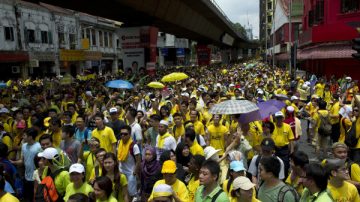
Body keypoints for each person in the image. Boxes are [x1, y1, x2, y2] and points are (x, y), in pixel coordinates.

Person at [10, 128, 41, 202]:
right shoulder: (24, 146)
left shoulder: (39, 147)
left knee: (35, 197)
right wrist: (13, 162)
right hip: (26, 177)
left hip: (36, 177)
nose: (22, 137)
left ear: (30, 137)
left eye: (24, 135)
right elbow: (22, 161)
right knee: (27, 197)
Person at [117, 125, 140, 200]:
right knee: (122, 191)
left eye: (125, 134)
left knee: (131, 193)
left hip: (130, 173)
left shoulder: (134, 146)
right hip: (121, 171)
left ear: (130, 134)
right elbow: (118, 157)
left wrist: (134, 173)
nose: (123, 135)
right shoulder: (119, 143)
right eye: (121, 134)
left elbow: (138, 161)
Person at [272, 111, 295, 179]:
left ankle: (284, 180)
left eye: (280, 118)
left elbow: (291, 140)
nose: (279, 119)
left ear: (283, 118)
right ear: (275, 119)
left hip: (284, 149)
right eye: (277, 118)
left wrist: (292, 151)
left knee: (285, 166)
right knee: (274, 166)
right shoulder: (272, 126)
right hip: (274, 149)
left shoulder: (287, 126)